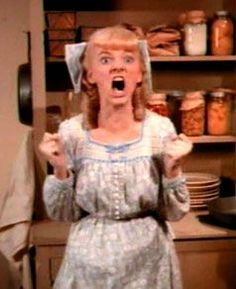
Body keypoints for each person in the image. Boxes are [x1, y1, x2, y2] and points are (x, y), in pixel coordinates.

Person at [39, 25, 193, 289]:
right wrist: (60, 168)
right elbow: (64, 214)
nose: (117, 68)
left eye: (128, 59)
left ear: (140, 75)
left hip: (149, 263)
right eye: (105, 59)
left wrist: (173, 169)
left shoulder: (159, 130)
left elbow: (174, 213)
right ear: (89, 76)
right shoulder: (72, 133)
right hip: (89, 266)